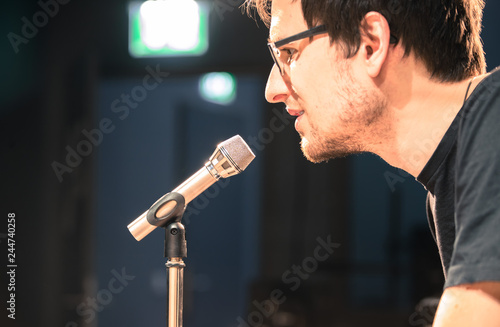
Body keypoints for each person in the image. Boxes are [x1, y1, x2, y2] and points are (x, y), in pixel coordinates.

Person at [243, 0, 500, 325]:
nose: (273, 89)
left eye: (290, 53)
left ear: (371, 44)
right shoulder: (446, 186)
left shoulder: (494, 123)